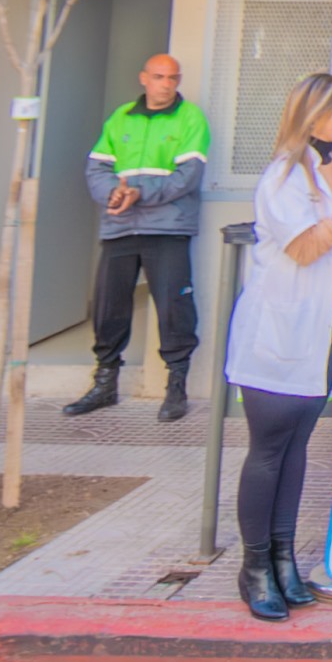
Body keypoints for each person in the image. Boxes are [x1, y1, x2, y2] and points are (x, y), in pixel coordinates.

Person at [226, 74, 332, 620]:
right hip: (279, 331)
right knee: (268, 450)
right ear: (312, 111)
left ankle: (284, 559)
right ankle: (255, 566)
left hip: (325, 331)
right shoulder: (284, 172)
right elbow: (305, 245)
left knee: (299, 447)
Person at [68, 54, 212, 423]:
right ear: (144, 79)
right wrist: (112, 195)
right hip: (120, 227)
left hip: (168, 228)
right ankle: (105, 383)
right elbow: (97, 167)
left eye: (173, 78)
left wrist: (138, 192)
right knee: (108, 305)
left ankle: (175, 386)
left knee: (173, 306)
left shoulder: (190, 118)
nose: (167, 84)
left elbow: (187, 177)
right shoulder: (121, 118)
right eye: (159, 77)